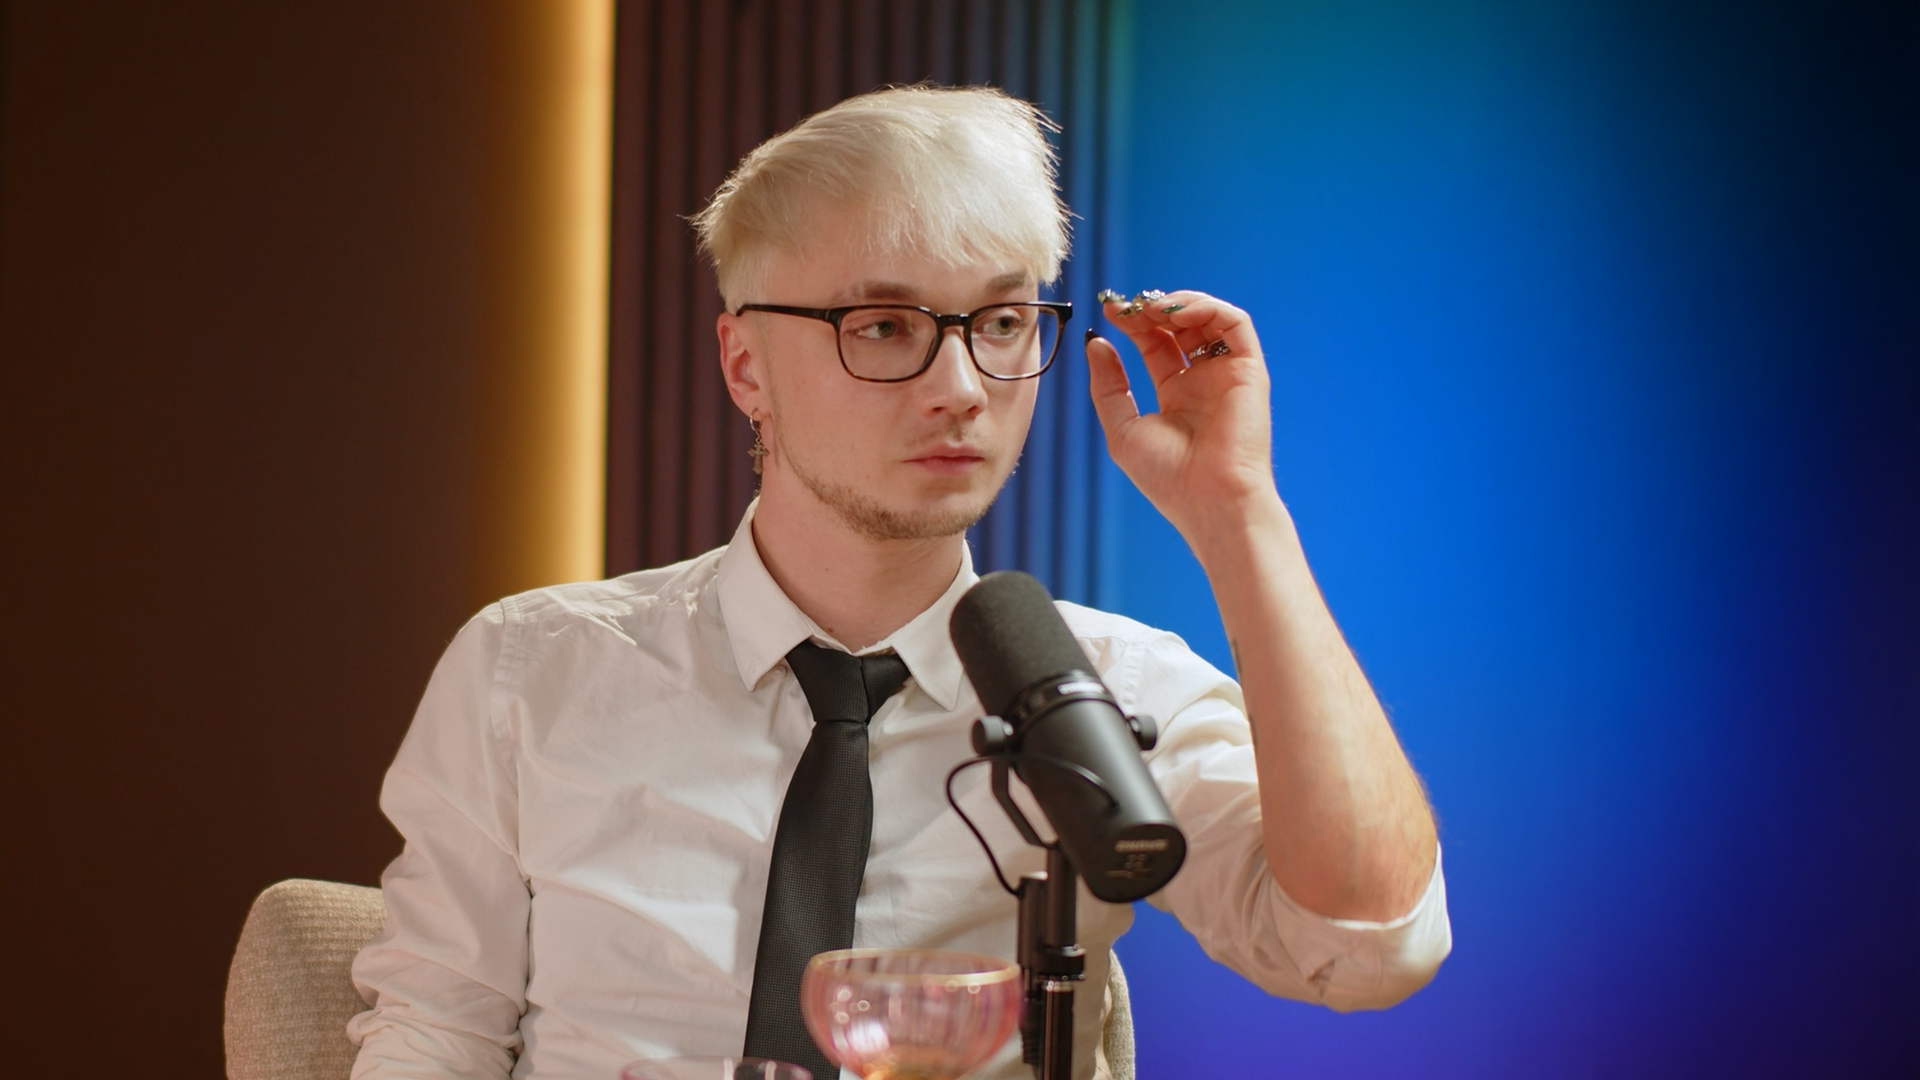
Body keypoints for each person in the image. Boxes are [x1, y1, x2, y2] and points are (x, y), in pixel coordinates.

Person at [347, 85, 1449, 1080]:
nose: (962, 386)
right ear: (745, 366)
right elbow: (435, 1037)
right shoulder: (531, 668)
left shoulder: (1099, 694)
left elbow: (1366, 951)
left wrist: (1240, 515)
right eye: (884, 326)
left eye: (1002, 322)